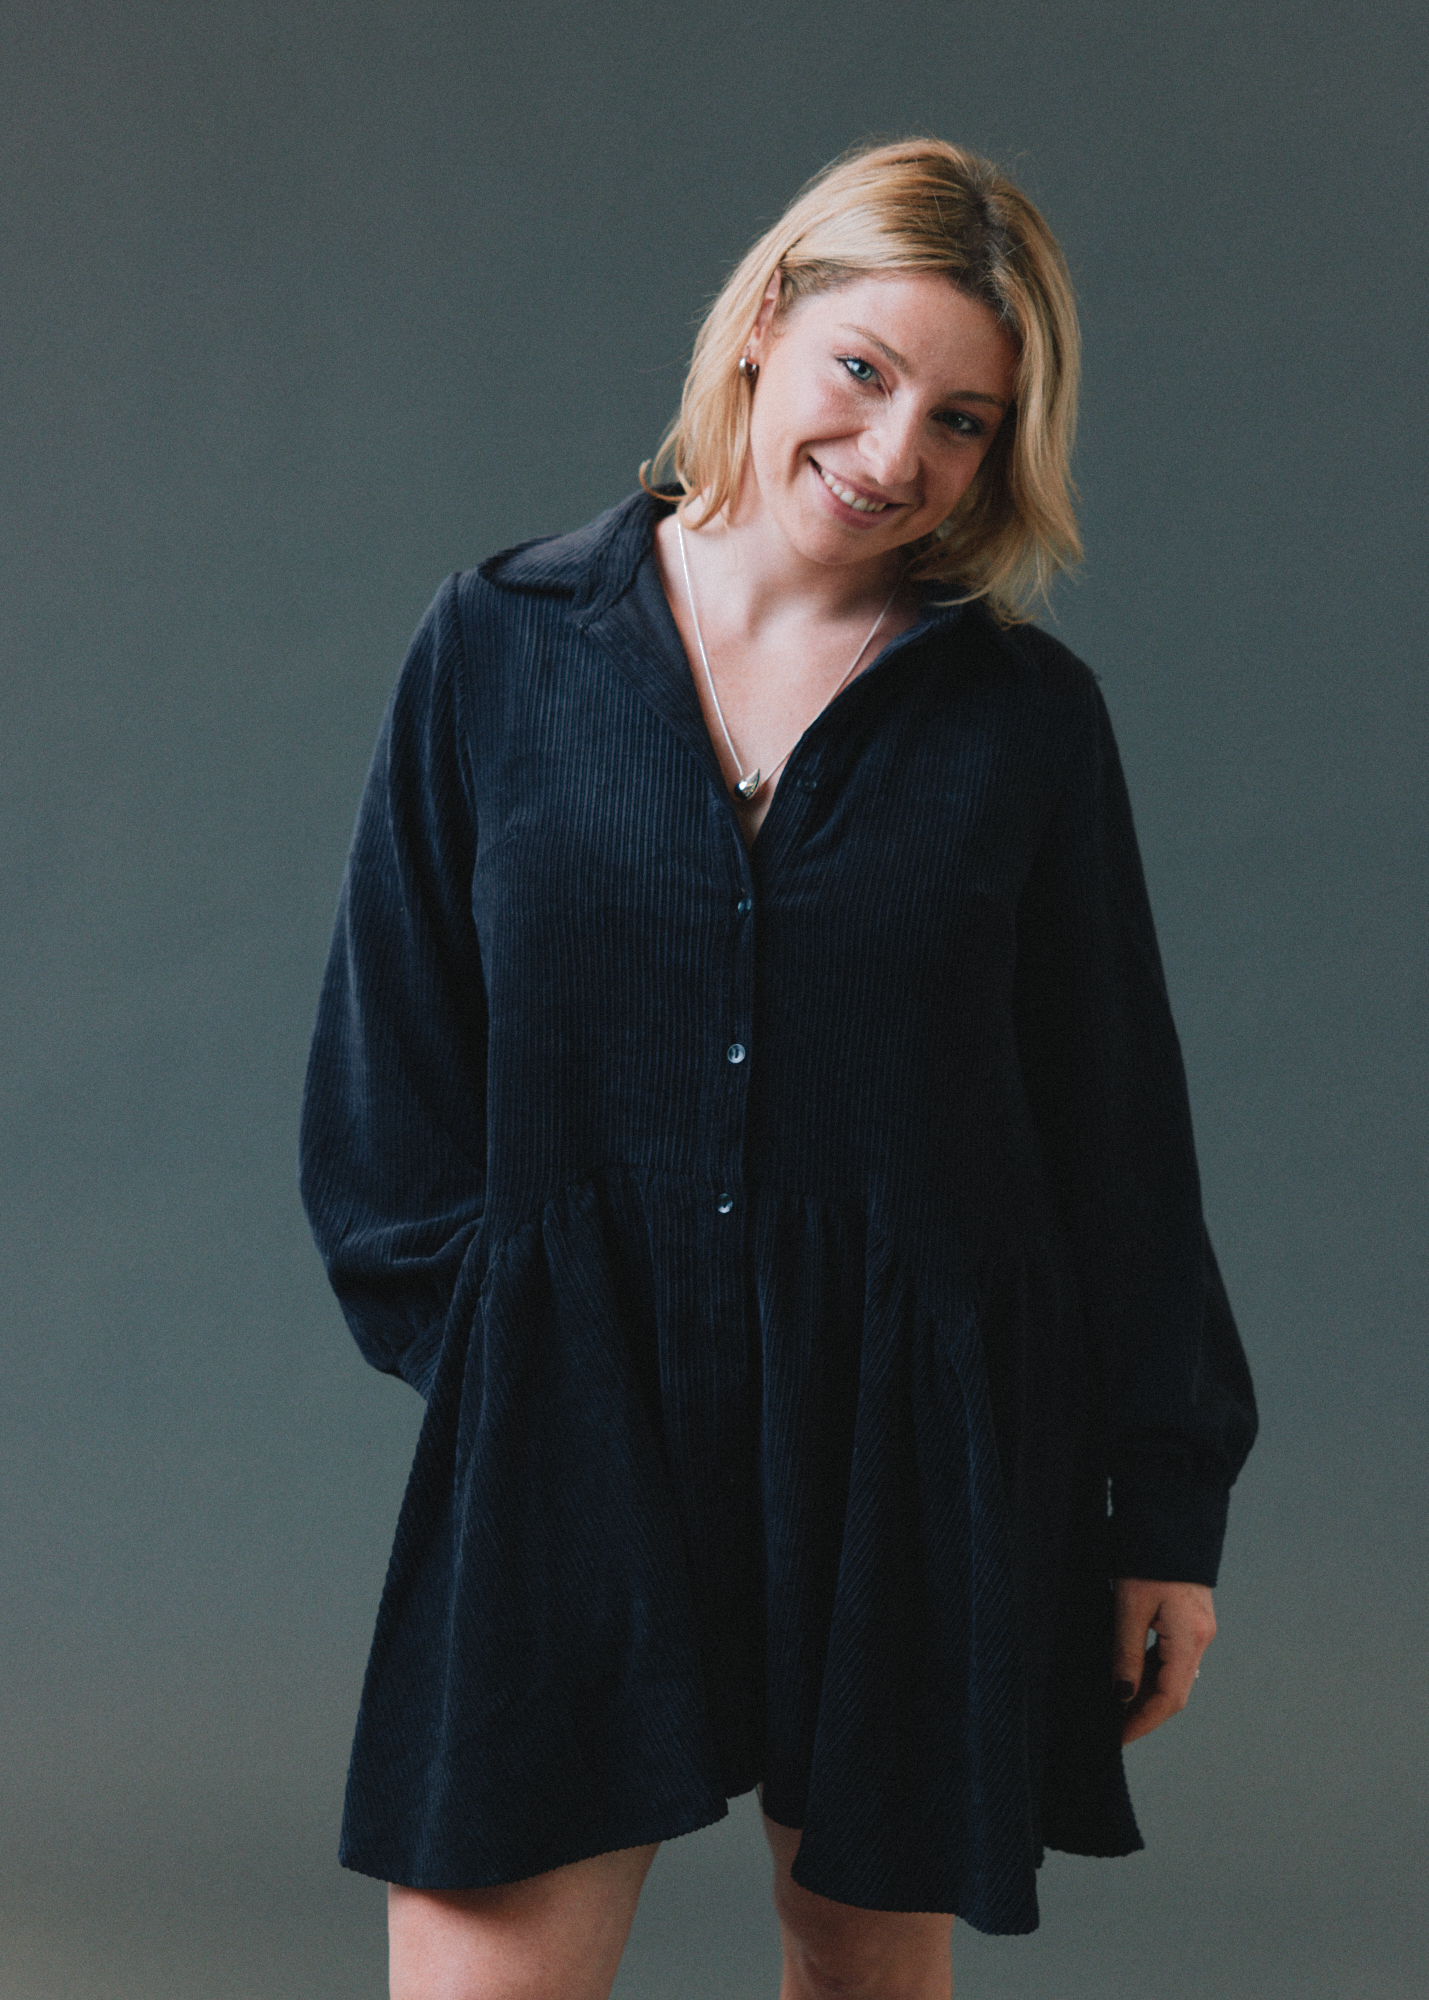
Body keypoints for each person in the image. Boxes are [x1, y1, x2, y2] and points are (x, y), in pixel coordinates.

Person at [299, 137, 1257, 2000]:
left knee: (862, 1972)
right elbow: (384, 1079)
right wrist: (506, 1353)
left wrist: (1165, 1514)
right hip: (572, 1419)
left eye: (963, 422)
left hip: (913, 1441)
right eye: (862, 372)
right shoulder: (496, 647)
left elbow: (1118, 1139)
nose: (896, 454)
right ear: (760, 328)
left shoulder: (1023, 724)